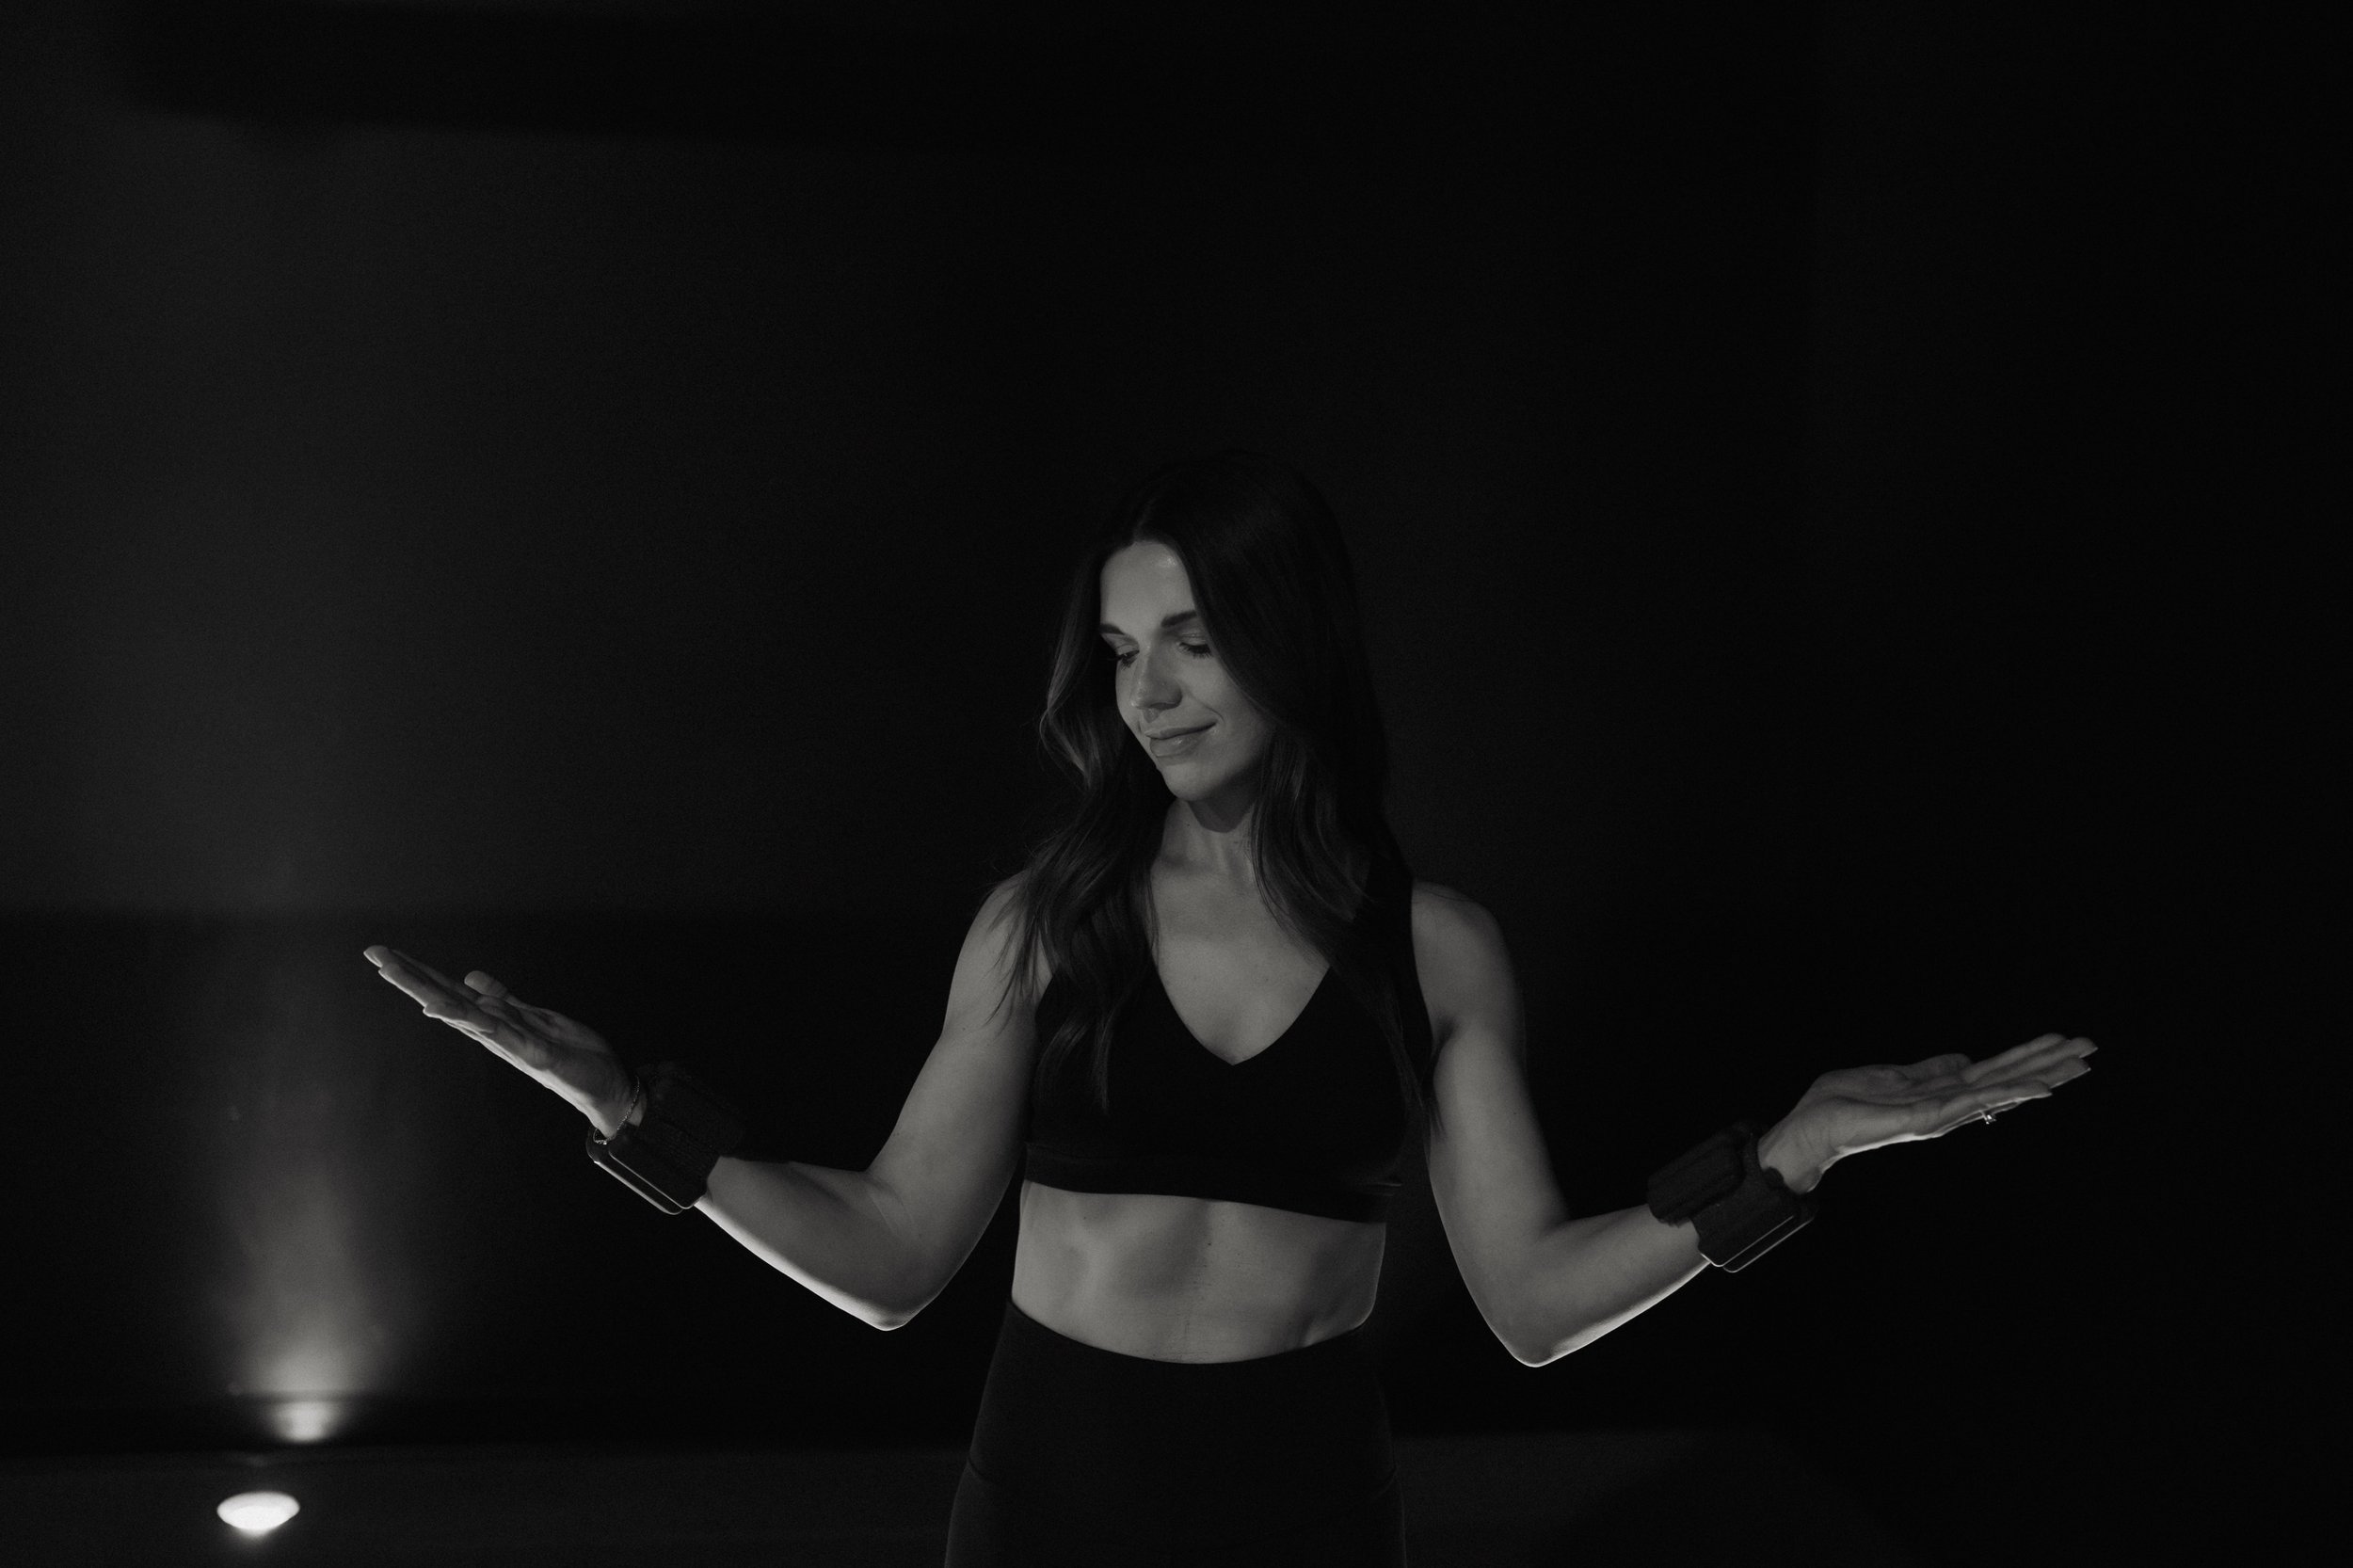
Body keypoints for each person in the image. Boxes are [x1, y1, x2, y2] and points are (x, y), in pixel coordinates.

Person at [365, 450, 2097, 1565]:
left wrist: (1789, 1154)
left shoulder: (1436, 948)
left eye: (1192, 637)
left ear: (1291, 634)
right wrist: (629, 1109)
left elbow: (1533, 1304)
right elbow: (891, 1254)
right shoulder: (1047, 922)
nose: (1152, 692)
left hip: (1304, 1513)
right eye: (1125, 652)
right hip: (1044, 1504)